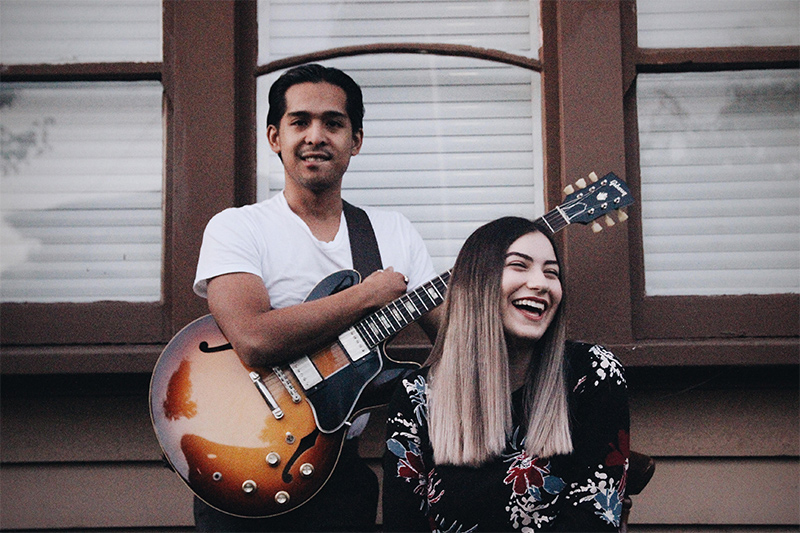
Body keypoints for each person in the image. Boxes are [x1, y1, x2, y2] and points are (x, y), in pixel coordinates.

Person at [192, 63, 441, 531]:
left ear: (356, 140)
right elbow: (255, 339)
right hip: (245, 459)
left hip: (341, 474)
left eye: (333, 123)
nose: (316, 135)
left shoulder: (393, 233)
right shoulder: (237, 227)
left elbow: (455, 339)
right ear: (274, 137)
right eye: (299, 121)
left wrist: (505, 271)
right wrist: (366, 296)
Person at [382, 216, 630, 531]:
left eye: (551, 272)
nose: (541, 283)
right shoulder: (418, 395)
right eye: (519, 265)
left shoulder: (592, 373)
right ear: (476, 284)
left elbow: (594, 521)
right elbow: (403, 523)